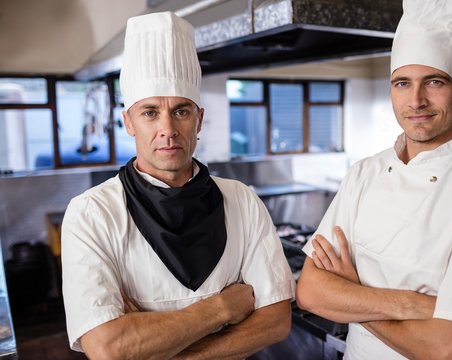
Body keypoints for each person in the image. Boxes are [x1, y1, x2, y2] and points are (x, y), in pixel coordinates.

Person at [296, 0, 452, 359]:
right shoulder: (365, 172)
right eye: (402, 83)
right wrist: (413, 304)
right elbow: (310, 292)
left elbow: (447, 349)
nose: (416, 100)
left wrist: (354, 292)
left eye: (434, 82)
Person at [61, 11, 294, 359]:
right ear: (128, 122)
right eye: (150, 112)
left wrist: (155, 343)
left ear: (198, 120)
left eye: (181, 111)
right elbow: (108, 347)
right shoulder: (92, 213)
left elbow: (276, 320)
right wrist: (222, 309)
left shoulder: (241, 200)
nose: (167, 129)